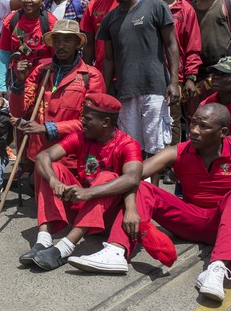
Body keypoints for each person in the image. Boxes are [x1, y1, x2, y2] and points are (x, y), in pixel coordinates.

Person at [69, 103, 231, 303]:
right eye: (193, 123)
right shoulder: (178, 151)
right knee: (144, 187)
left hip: (225, 224)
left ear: (223, 132)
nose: (194, 131)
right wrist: (130, 209)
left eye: (203, 126)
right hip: (188, 220)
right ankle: (116, 251)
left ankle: (216, 268)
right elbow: (133, 176)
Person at [22, 93, 142, 270]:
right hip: (80, 206)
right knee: (51, 168)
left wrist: (89, 193)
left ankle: (64, 248)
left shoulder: (127, 144)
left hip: (106, 215)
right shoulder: (81, 136)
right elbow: (43, 156)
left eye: (87, 119)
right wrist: (53, 180)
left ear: (105, 122)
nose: (82, 122)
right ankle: (43, 240)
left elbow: (132, 178)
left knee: (108, 177)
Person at [98, 0, 180, 173]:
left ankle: (155, 192)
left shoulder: (156, 6)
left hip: (155, 87)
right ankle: (136, 189)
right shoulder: (109, 19)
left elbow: (171, 44)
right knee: (132, 145)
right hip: (125, 90)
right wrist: (107, 90)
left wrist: (174, 81)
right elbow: (109, 59)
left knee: (156, 144)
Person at [10, 20, 105, 173]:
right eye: (57, 40)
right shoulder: (40, 71)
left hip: (71, 157)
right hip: (39, 153)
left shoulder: (91, 76)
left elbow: (90, 122)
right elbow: (18, 112)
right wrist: (19, 83)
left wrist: (47, 128)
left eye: (67, 40)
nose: (61, 45)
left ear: (77, 43)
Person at [143, 0, 202, 183]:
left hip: (173, 77)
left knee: (172, 120)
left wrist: (190, 77)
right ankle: (152, 161)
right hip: (148, 76)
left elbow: (193, 45)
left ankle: (170, 164)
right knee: (150, 120)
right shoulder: (144, 6)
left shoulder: (184, 9)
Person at [0, 0, 57, 101]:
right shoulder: (11, 20)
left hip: (43, 82)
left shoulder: (50, 23)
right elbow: (4, 53)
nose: (28, 1)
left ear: (42, 0)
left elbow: (57, 56)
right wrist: (1, 85)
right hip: (18, 81)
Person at [80, 0, 123, 72]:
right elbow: (88, 45)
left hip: (128, 69)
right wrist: (86, 73)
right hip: (102, 71)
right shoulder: (92, 5)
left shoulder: (133, 2)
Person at [199, 57, 231, 136]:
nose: (215, 77)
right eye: (214, 73)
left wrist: (223, 142)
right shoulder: (206, 104)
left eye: (223, 74)